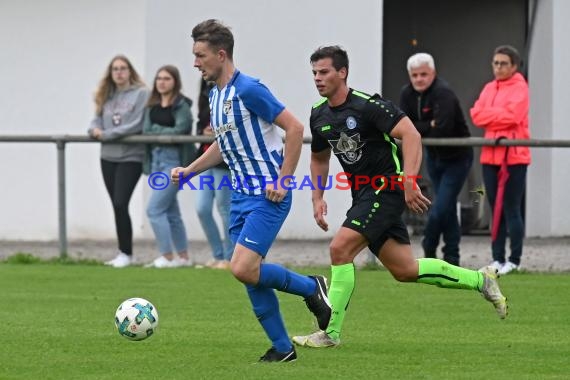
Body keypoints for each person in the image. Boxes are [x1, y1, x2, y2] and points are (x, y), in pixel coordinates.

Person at [292, 46, 507, 349]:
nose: (318, 78)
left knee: (340, 249)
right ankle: (480, 280)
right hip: (364, 194)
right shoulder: (319, 113)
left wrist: (409, 181)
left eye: (324, 71)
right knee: (405, 270)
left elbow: (411, 134)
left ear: (342, 73)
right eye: (314, 72)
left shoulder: (369, 106)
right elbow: (319, 159)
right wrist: (317, 198)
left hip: (386, 189)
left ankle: (331, 333)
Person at [170, 19, 331, 363]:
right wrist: (190, 170)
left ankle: (311, 287)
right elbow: (223, 146)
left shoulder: (249, 89)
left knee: (242, 267)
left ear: (221, 54)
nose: (195, 62)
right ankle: (283, 348)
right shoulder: (215, 95)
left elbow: (294, 127)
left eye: (200, 55)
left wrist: (284, 179)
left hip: (268, 196)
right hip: (240, 196)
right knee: (250, 274)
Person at [399, 53, 473, 266]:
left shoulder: (443, 93)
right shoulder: (407, 94)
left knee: (440, 206)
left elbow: (443, 127)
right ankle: (452, 255)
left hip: (457, 157)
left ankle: (429, 245)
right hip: (433, 156)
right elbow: (403, 127)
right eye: (414, 75)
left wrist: (419, 128)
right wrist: (427, 125)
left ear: (433, 73)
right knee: (446, 207)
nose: (419, 79)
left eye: (424, 74)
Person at [470, 45, 530, 275]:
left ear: (514, 66)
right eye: (495, 63)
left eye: (503, 63)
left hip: (514, 157)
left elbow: (514, 116)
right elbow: (476, 114)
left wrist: (491, 117)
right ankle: (497, 258)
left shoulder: (520, 87)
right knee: (495, 208)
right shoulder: (488, 87)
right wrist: (498, 117)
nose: (498, 67)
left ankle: (514, 259)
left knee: (511, 208)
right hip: (490, 155)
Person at [88, 55, 149, 268]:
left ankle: (127, 253)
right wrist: (93, 130)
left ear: (130, 71)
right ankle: (122, 252)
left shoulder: (141, 94)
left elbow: (136, 124)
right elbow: (96, 119)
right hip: (107, 156)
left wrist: (107, 134)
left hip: (131, 157)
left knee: (120, 202)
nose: (119, 72)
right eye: (115, 69)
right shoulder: (107, 95)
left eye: (123, 68)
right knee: (117, 206)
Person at [142, 65, 195, 268]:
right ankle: (183, 257)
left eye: (167, 78)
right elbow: (146, 130)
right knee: (171, 212)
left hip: (174, 162)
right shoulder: (151, 105)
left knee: (154, 209)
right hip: (156, 161)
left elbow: (181, 128)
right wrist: (164, 133)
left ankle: (167, 256)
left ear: (175, 82)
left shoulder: (182, 105)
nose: (162, 82)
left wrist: (157, 133)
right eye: (159, 78)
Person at [194, 79, 234, 269]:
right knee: (202, 208)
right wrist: (202, 130)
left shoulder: (232, 93)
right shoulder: (204, 94)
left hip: (224, 161)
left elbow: (235, 125)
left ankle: (230, 256)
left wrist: (217, 131)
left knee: (224, 208)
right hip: (205, 156)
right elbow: (199, 121)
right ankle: (218, 255)